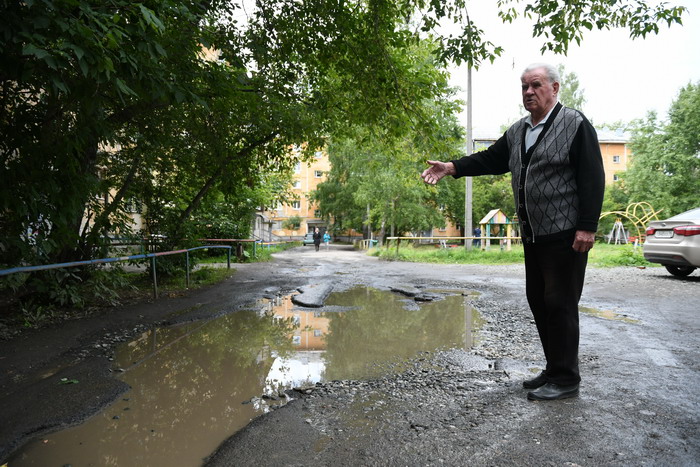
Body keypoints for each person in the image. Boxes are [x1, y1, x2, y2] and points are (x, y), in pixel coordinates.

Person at [421, 63, 605, 401]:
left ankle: (566, 378)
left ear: (554, 87)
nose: (529, 92)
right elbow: (491, 159)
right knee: (539, 301)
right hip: (533, 234)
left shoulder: (575, 124)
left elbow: (592, 177)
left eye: (536, 85)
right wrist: (451, 167)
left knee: (560, 303)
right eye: (524, 87)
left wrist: (587, 227)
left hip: (565, 233)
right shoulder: (519, 130)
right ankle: (554, 368)